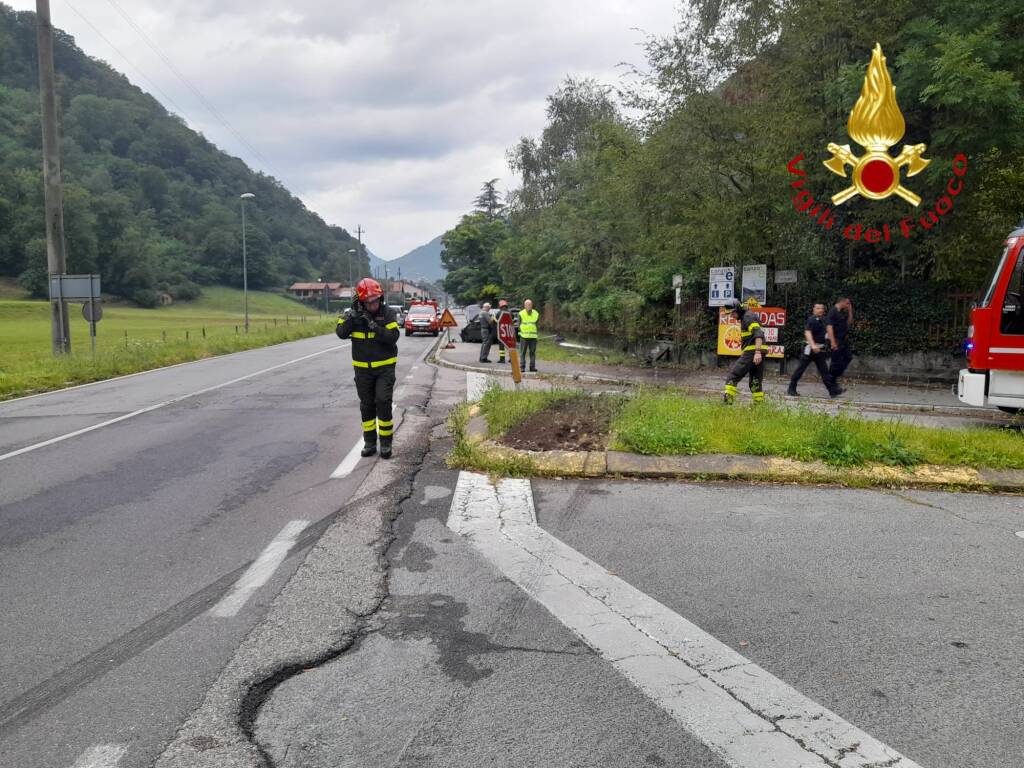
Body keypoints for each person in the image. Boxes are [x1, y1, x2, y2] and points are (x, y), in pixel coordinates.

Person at [336, 278, 401, 459]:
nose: (372, 305)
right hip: (362, 370)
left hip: (384, 369)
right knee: (367, 406)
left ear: (380, 298)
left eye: (375, 301)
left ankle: (386, 443)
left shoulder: (387, 314)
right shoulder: (352, 314)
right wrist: (353, 318)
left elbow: (392, 337)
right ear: (361, 302)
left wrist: (373, 326)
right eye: (368, 302)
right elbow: (341, 333)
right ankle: (370, 443)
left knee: (382, 401)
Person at [787, 303, 844, 398]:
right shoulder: (811, 320)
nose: (820, 310)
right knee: (800, 370)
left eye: (822, 308)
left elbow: (828, 332)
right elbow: (807, 332)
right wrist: (813, 345)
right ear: (814, 310)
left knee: (824, 371)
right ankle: (791, 388)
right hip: (809, 350)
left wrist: (833, 342)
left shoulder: (825, 320)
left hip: (820, 350)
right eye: (818, 308)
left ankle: (832, 391)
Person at [722, 298, 765, 404]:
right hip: (757, 351)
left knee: (733, 375)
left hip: (753, 351)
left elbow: (758, 334)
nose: (732, 316)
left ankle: (727, 403)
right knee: (755, 381)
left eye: (732, 313)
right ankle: (759, 405)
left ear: (738, 309)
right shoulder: (747, 316)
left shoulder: (748, 317)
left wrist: (757, 352)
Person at [826, 297, 854, 382]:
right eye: (847, 303)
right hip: (836, 340)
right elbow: (829, 326)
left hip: (842, 340)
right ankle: (831, 381)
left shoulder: (841, 312)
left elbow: (848, 323)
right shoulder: (833, 311)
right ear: (842, 302)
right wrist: (832, 342)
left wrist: (850, 311)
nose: (848, 305)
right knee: (835, 362)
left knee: (848, 357)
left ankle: (833, 378)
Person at [518, 299, 539, 372]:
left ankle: (532, 367)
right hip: (524, 337)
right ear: (525, 306)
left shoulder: (536, 313)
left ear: (532, 305)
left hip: (533, 337)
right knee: (522, 353)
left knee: (532, 353)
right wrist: (520, 332)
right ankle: (522, 367)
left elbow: (536, 324)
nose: (529, 306)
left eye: (530, 305)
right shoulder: (521, 313)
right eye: (527, 305)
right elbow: (519, 324)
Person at [496, 299, 511, 364]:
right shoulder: (510, 312)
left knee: (501, 346)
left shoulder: (499, 313)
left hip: (501, 332)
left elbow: (496, 320)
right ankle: (511, 358)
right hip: (509, 331)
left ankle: (502, 359)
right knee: (509, 345)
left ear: (500, 306)